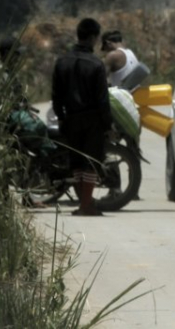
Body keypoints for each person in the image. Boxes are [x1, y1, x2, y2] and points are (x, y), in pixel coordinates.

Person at [52, 18, 112, 216]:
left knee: (76, 162)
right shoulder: (96, 64)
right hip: (92, 119)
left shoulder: (62, 62)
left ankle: (84, 203)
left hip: (71, 118)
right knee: (91, 163)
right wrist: (107, 123)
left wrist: (61, 117)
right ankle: (86, 205)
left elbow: (56, 95)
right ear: (94, 37)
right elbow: (103, 99)